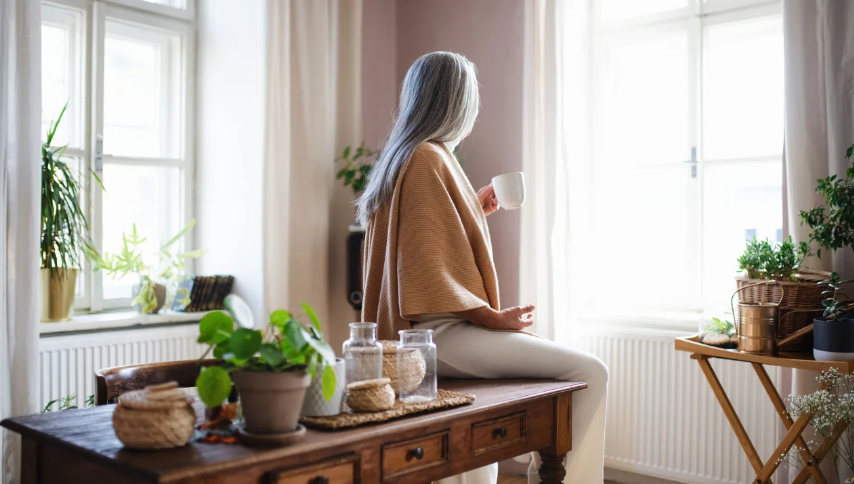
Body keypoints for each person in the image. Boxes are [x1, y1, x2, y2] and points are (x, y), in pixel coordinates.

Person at [357, 51, 608, 484]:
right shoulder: (428, 158)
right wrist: (492, 318)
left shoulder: (411, 155)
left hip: (426, 334)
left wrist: (472, 206)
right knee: (590, 372)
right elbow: (425, 275)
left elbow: (420, 242)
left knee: (480, 441)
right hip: (439, 335)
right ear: (458, 102)